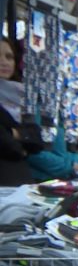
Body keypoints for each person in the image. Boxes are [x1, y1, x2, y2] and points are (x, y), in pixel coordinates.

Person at [0, 37, 41, 185]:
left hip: (19, 183)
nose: (4, 62)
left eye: (9, 57)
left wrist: (10, 133)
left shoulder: (20, 95)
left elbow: (37, 140)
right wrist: (21, 146)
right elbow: (7, 145)